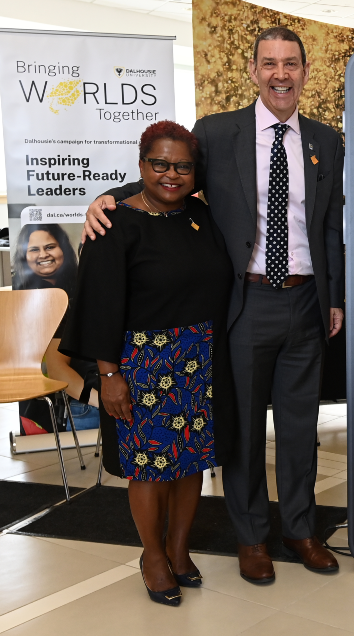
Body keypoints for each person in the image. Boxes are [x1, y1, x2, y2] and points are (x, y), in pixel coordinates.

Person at [82, 26, 345, 581]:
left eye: (291, 63)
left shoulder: (325, 140)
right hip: (243, 301)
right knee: (243, 427)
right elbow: (167, 174)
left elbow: (329, 229)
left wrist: (335, 298)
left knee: (301, 427)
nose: (280, 73)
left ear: (304, 71)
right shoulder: (218, 132)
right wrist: (110, 198)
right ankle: (252, 538)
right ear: (253, 70)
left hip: (306, 301)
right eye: (269, 63)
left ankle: (299, 529)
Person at [62, 120, 234, 606]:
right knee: (150, 467)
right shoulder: (113, 224)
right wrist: (109, 375)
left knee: (190, 463)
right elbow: (97, 304)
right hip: (141, 367)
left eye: (182, 166)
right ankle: (153, 557)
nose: (171, 174)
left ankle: (180, 551)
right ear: (142, 166)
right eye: (160, 164)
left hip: (198, 360)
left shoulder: (200, 216)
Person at [13, 225, 100, 431]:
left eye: (50, 246)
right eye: (34, 249)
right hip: (83, 402)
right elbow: (56, 368)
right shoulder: (42, 299)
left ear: (63, 250)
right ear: (24, 255)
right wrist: (100, 401)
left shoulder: (75, 290)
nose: (43, 254)